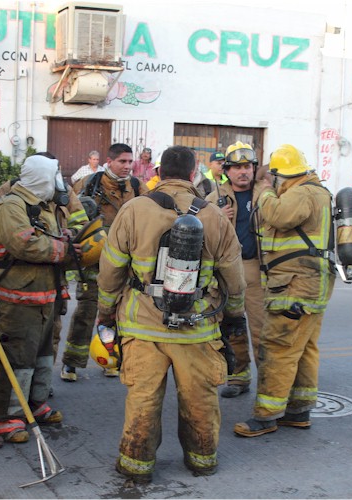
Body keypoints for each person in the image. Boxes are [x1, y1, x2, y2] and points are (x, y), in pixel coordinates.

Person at [98, 145, 246, 482]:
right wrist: (234, 318)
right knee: (200, 399)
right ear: (193, 175)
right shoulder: (214, 216)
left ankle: (136, 467)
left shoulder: (133, 210)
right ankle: (202, 460)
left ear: (158, 173)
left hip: (142, 326)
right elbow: (234, 280)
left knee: (143, 399)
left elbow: (110, 271)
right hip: (197, 329)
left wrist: (105, 313)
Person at [233, 144, 336, 438]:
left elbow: (279, 216)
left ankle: (266, 416)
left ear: (280, 175)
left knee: (278, 348)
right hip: (310, 283)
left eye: (273, 178)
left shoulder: (302, 192)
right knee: (303, 349)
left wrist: (264, 191)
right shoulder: (317, 191)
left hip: (296, 284)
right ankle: (298, 411)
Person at [0, 154, 80, 442]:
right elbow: (25, 244)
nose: (58, 182)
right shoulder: (10, 206)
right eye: (54, 175)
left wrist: (72, 237)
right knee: (18, 359)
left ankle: (35, 405)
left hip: (46, 294)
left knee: (42, 356)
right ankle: (6, 418)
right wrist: (65, 250)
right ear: (41, 177)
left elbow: (52, 237)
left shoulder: (44, 206)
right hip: (20, 298)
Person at [62, 143, 148, 381]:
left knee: (118, 315)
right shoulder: (89, 183)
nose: (127, 166)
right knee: (86, 312)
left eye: (130, 162)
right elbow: (70, 213)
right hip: (94, 263)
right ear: (109, 162)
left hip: (125, 265)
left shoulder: (137, 187)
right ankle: (71, 363)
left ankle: (111, 358)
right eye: (122, 161)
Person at [205, 142, 266, 398]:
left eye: (248, 166)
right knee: (233, 326)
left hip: (256, 269)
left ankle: (269, 385)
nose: (243, 172)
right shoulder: (213, 199)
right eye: (237, 167)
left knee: (262, 329)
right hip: (228, 269)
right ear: (227, 171)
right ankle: (239, 377)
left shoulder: (266, 194)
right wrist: (216, 215)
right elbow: (200, 229)